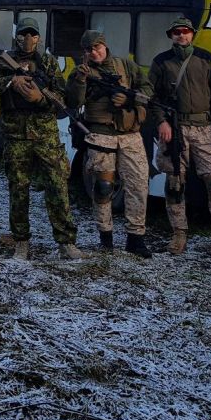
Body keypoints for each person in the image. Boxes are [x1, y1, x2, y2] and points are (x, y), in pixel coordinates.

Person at [0, 17, 87, 261]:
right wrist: (11, 81)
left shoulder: (48, 62)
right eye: (23, 35)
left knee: (57, 186)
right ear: (16, 36)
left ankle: (66, 242)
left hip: (45, 134)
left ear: (39, 38)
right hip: (16, 134)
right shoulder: (3, 61)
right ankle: (21, 242)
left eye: (33, 35)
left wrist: (40, 98)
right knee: (19, 189)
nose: (28, 40)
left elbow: (61, 97)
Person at [148, 17, 211, 260]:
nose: (181, 35)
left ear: (192, 34)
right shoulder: (161, 62)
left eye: (185, 31)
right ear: (171, 35)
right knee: (175, 184)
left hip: (204, 127)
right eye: (176, 32)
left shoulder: (206, 59)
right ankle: (178, 234)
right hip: (175, 128)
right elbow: (151, 96)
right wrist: (161, 121)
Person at [65, 29, 153, 258]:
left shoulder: (125, 66)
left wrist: (129, 98)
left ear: (105, 45)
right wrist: (80, 80)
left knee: (138, 186)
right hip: (100, 134)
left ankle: (136, 238)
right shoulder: (81, 72)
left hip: (130, 134)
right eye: (89, 49)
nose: (94, 53)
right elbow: (73, 101)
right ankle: (106, 237)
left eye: (97, 47)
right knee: (103, 187)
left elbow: (147, 89)